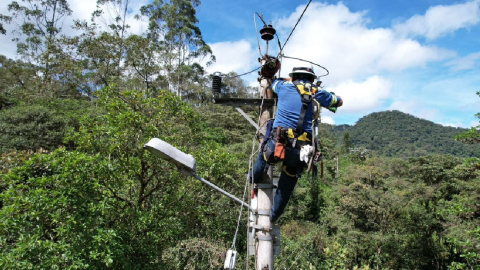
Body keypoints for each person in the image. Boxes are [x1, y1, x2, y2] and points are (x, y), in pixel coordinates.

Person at [252, 66, 343, 223]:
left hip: (277, 144)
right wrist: (320, 91)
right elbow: (339, 101)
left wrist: (289, 81)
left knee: (263, 157)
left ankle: (251, 178)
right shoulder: (318, 93)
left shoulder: (283, 87)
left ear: (293, 77)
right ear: (312, 79)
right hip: (301, 152)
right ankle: (272, 217)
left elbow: (273, 83)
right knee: (286, 186)